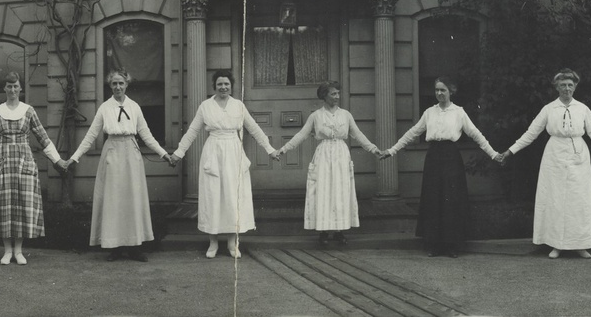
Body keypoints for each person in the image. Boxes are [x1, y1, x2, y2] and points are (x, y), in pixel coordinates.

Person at [495, 70, 591, 260]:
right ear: (556, 87)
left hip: (578, 156)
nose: (567, 88)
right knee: (556, 200)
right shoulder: (548, 109)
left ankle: (581, 244)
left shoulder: (583, 109)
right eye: (563, 85)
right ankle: (557, 245)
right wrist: (510, 151)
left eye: (570, 85)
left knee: (578, 200)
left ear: (575, 87)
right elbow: (531, 133)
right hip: (554, 156)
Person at [383, 77, 500, 258]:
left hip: (451, 156)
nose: (439, 93)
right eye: (437, 90)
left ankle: (452, 245)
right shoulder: (430, 112)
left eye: (443, 90)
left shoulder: (459, 113)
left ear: (451, 91)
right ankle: (435, 244)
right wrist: (392, 150)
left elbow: (476, 135)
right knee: (434, 199)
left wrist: (493, 154)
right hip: (433, 157)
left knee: (451, 199)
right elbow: (413, 132)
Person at [62, 71, 172, 262]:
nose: (118, 87)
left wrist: (164, 154)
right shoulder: (105, 108)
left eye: (121, 83)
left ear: (127, 84)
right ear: (110, 86)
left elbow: (146, 134)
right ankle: (115, 247)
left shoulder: (134, 107)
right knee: (113, 201)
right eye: (114, 84)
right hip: (112, 151)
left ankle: (135, 247)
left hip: (131, 152)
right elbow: (90, 136)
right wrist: (73, 158)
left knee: (132, 200)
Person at [170, 70, 279, 259]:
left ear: (231, 86)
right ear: (214, 86)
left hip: (234, 153)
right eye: (220, 84)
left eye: (226, 84)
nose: (223, 87)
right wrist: (179, 153)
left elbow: (254, 128)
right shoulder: (205, 106)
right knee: (213, 196)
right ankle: (212, 242)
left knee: (232, 197)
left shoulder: (238, 106)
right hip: (213, 152)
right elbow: (192, 131)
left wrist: (269, 149)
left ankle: (231, 242)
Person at [0, 72, 64, 266]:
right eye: (9, 86)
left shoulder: (28, 111)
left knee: (22, 204)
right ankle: (7, 250)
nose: (12, 90)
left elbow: (43, 137)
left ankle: (18, 250)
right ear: (5, 89)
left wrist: (57, 160)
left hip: (23, 161)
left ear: (20, 89)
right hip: (1, 161)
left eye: (15, 86)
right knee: (4, 204)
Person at [273, 81, 382, 245]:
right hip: (323, 155)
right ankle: (324, 230)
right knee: (324, 190)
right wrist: (283, 149)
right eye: (333, 94)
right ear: (324, 95)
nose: (337, 97)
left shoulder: (346, 115)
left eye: (338, 93)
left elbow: (358, 134)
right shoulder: (316, 116)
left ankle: (339, 230)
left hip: (341, 154)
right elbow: (301, 135)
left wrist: (374, 150)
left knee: (340, 190)